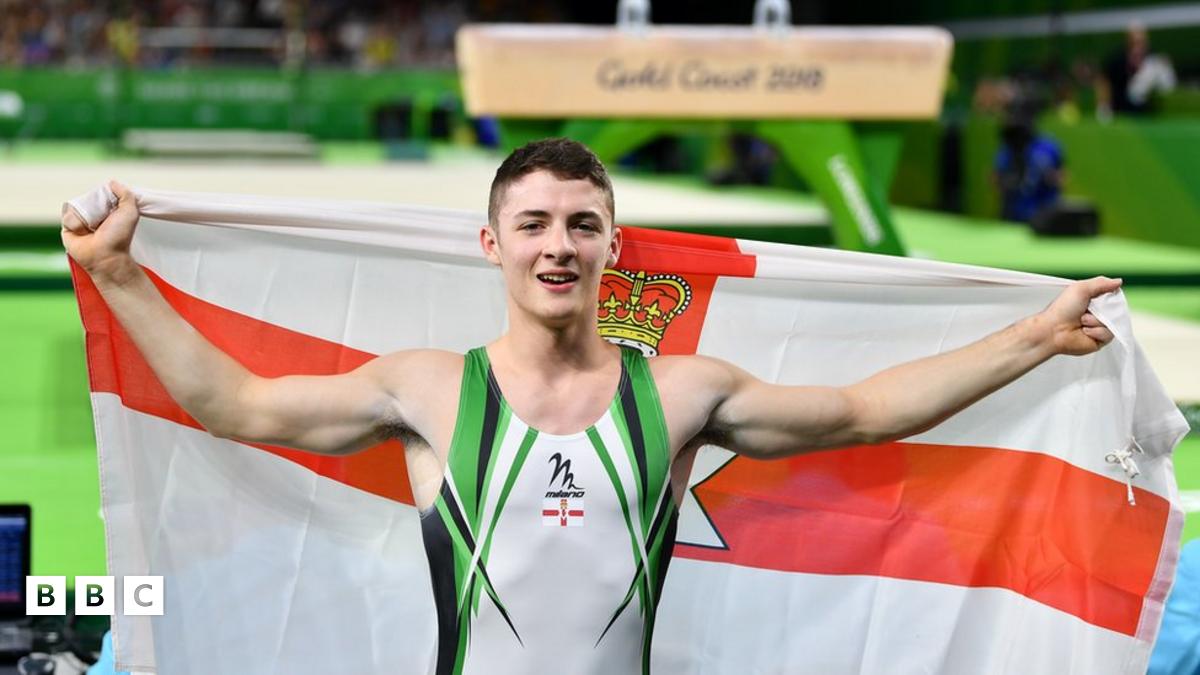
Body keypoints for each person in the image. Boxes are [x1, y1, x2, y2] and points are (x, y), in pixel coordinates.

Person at [61, 138, 1120, 675]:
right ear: (493, 245)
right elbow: (237, 403)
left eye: (580, 224)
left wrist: (1034, 337)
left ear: (614, 245)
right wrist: (117, 276)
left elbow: (860, 411)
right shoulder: (429, 388)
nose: (557, 246)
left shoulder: (682, 391)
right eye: (533, 225)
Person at [1097, 22, 1177, 119]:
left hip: (1146, 111)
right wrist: (1104, 105)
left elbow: (1166, 86)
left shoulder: (1153, 57)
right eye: (1135, 40)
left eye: (1141, 40)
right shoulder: (1116, 58)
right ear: (1128, 40)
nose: (1138, 44)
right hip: (1120, 110)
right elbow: (1104, 82)